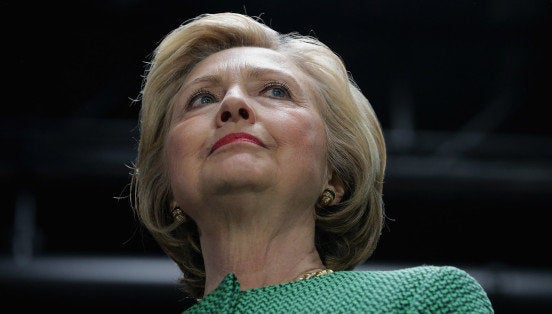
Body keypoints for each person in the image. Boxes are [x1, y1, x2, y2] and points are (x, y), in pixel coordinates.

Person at [129, 12, 494, 313]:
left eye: (276, 90)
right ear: (168, 184)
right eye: (202, 98)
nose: (232, 104)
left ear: (334, 176)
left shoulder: (423, 300)